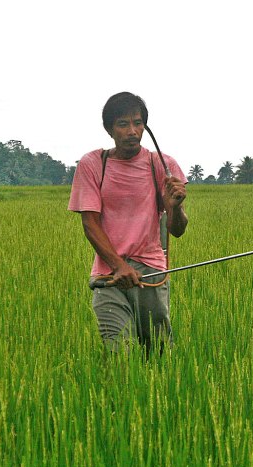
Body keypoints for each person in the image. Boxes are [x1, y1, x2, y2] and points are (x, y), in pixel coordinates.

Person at [68, 92, 188, 356]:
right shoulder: (93, 164)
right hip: (109, 276)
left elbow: (177, 229)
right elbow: (90, 224)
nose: (132, 131)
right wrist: (119, 266)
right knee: (120, 353)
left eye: (138, 123)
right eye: (123, 124)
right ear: (110, 129)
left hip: (150, 273)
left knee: (157, 354)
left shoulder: (162, 164)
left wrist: (175, 206)